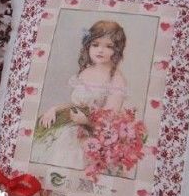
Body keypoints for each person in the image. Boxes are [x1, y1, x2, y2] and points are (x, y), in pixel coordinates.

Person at [31, 20, 127, 169]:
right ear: (88, 46)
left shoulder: (116, 79)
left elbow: (110, 121)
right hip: (69, 128)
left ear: (117, 49)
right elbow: (77, 105)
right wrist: (54, 109)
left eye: (108, 46)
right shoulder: (85, 71)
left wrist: (86, 121)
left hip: (91, 137)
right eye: (95, 45)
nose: (100, 50)